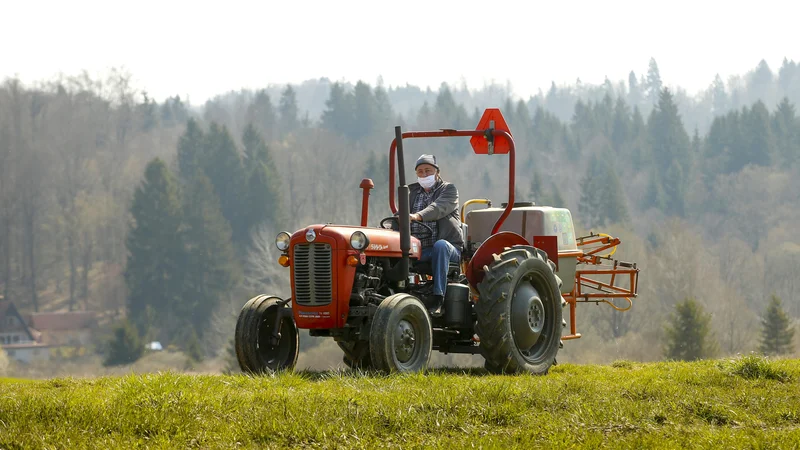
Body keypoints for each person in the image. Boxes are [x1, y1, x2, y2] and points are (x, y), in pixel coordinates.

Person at [409, 154, 463, 314]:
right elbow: (401, 215)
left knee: (440, 246)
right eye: (420, 172)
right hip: (420, 249)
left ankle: (438, 297)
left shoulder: (449, 190)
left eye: (428, 170)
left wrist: (417, 216)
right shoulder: (412, 194)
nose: (424, 175)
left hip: (448, 248)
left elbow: (438, 208)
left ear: (437, 172)